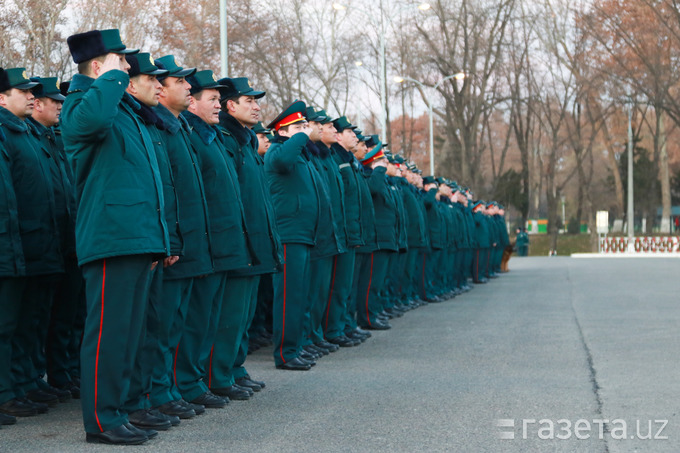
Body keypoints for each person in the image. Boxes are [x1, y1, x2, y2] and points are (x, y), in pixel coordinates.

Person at [62, 29, 169, 445]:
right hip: (111, 236)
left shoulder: (124, 110)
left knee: (128, 333)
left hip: (137, 237)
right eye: (119, 60)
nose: (127, 67)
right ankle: (102, 420)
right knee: (108, 333)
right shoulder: (82, 104)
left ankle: (121, 409)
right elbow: (89, 122)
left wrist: (161, 238)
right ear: (97, 65)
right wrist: (106, 79)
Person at [178, 69, 252, 407]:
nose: (219, 105)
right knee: (193, 321)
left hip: (223, 241)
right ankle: (189, 382)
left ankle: (200, 380)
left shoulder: (215, 137)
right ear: (192, 102)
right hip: (203, 242)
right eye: (213, 99)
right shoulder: (191, 136)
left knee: (211, 318)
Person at [208, 76, 281, 398]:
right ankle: (219, 374)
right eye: (249, 101)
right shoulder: (225, 138)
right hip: (237, 241)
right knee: (228, 316)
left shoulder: (245, 140)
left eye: (256, 101)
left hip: (254, 240)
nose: (256, 106)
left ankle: (234, 368)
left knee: (242, 315)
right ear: (230, 105)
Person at [149, 54, 209, 420]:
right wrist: (169, 239)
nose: (189, 87)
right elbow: (165, 192)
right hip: (172, 244)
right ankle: (159, 390)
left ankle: (170, 388)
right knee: (163, 325)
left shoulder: (179, 127)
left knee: (178, 323)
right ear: (161, 89)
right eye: (181, 81)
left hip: (188, 242)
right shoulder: (159, 127)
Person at [265, 100, 323, 370]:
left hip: (303, 234)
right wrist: (301, 135)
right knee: (288, 297)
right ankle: (286, 353)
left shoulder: (301, 156)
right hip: (288, 233)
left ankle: (296, 347)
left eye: (305, 125)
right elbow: (284, 160)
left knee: (299, 296)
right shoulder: (277, 152)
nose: (305, 129)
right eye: (298, 126)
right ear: (283, 130)